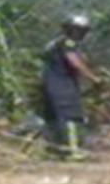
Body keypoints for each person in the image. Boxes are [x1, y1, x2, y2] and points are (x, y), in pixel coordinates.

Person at [40, 13, 102, 160]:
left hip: (49, 84)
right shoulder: (67, 43)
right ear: (69, 29)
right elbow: (74, 61)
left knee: (53, 116)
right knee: (70, 116)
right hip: (62, 84)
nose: (81, 34)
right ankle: (72, 151)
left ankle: (54, 150)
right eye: (79, 30)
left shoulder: (54, 43)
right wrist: (94, 78)